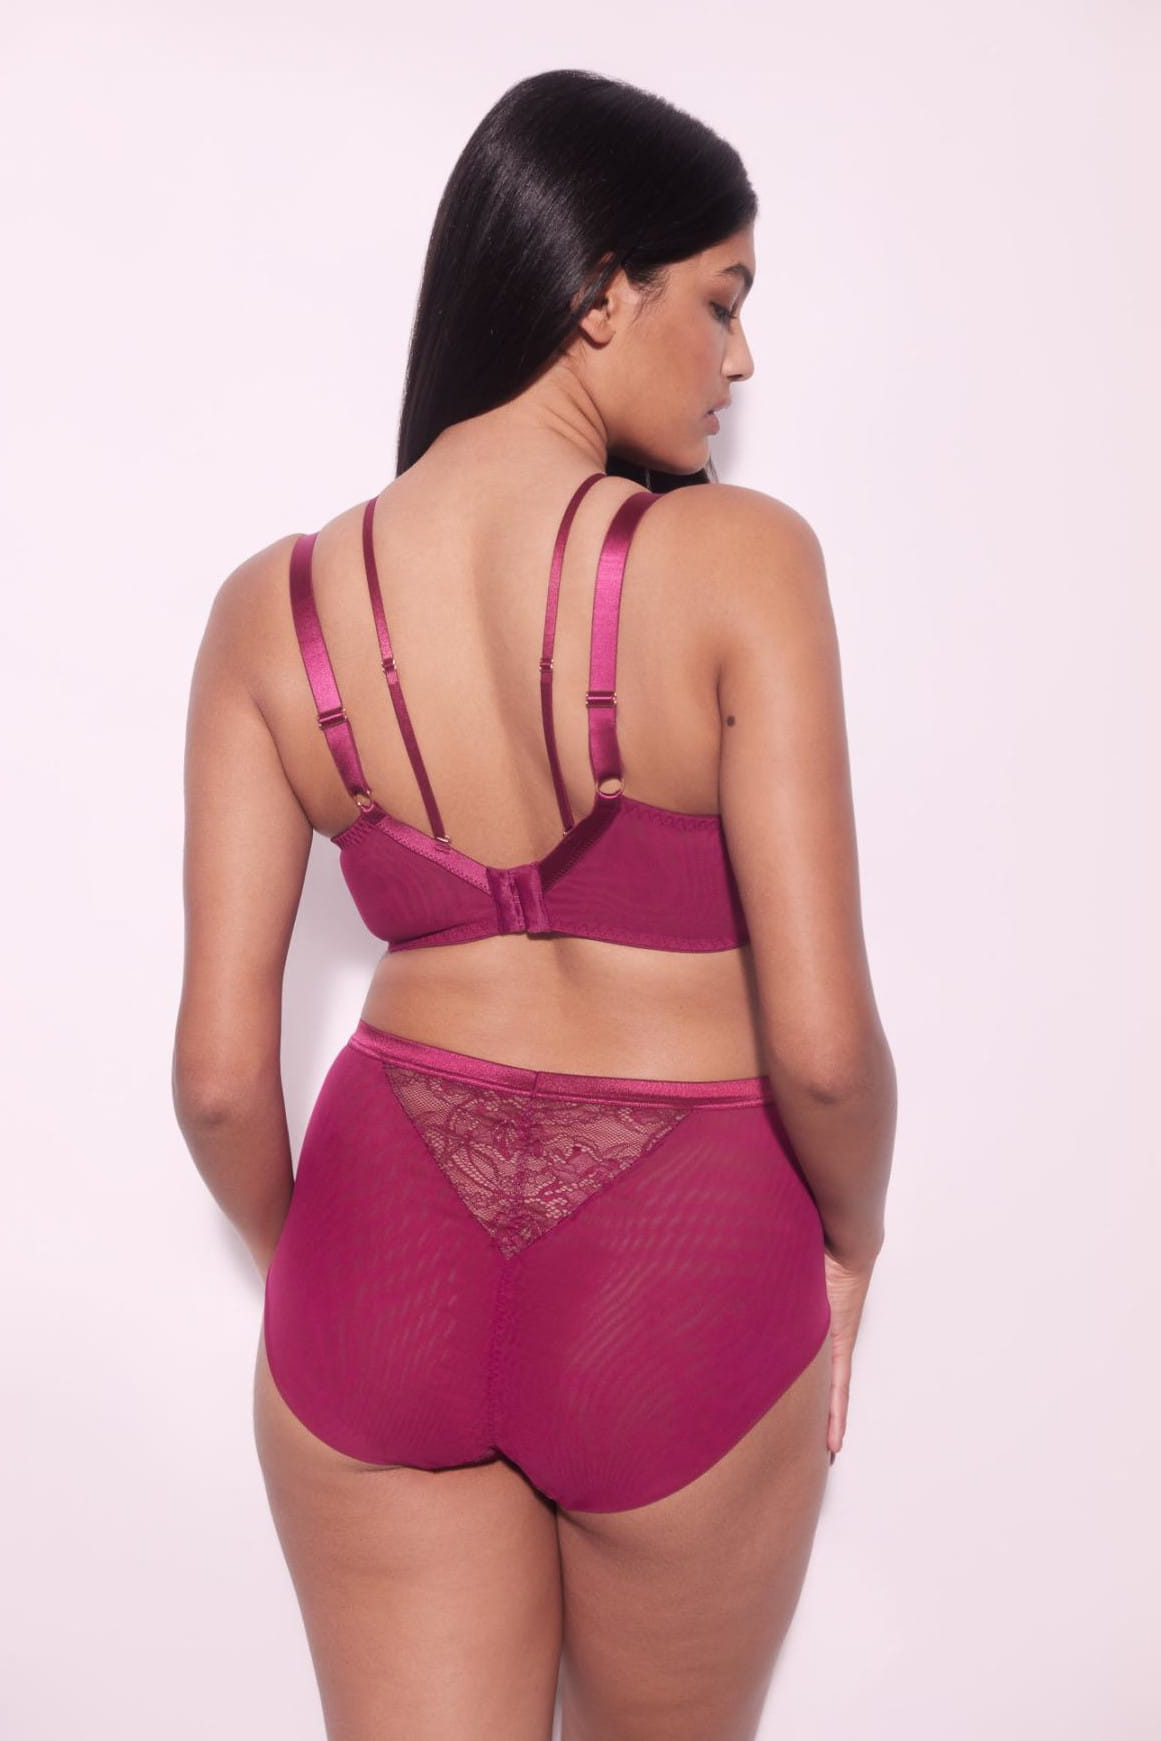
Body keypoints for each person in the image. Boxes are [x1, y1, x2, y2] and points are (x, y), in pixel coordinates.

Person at [173, 66, 896, 1741]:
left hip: (378, 1234)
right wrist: (853, 1238)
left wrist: (321, 1277)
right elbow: (822, 1049)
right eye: (720, 299)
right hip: (683, 1253)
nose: (738, 361)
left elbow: (215, 1082)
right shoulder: (742, 563)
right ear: (599, 293)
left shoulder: (268, 611)